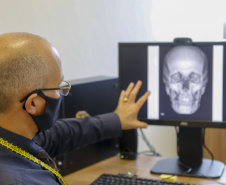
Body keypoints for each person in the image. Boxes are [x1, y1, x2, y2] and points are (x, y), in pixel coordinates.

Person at [0, 32, 150, 185]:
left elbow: (60, 134)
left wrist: (117, 120)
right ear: (33, 104)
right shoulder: (20, 180)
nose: (62, 93)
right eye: (59, 87)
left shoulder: (12, 136)